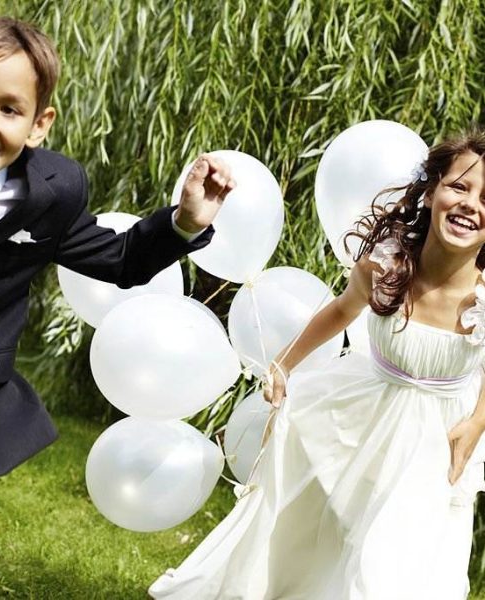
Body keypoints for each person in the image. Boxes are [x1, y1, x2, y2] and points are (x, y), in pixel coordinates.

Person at [0, 16, 235, 598]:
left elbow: (119, 260)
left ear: (39, 124)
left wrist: (186, 220)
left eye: (8, 109)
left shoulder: (55, 190)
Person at [149, 130, 485, 600]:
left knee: (400, 562)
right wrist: (284, 366)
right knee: (329, 538)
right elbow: (341, 312)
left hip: (436, 440)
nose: (471, 203)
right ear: (430, 192)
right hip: (366, 417)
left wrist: (476, 422)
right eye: (459, 186)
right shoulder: (385, 266)